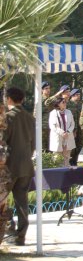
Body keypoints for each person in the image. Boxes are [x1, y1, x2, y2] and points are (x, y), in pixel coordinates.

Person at [1, 88, 35, 246]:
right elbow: (33, 144)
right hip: (26, 165)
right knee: (22, 201)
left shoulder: (8, 118)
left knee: (2, 200)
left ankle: (9, 227)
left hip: (9, 167)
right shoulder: (30, 117)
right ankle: (20, 235)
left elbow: (3, 142)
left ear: (8, 99)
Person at [48, 98, 76, 167]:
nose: (65, 103)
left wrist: (68, 132)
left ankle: (66, 172)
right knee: (57, 157)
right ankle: (57, 173)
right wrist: (62, 133)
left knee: (66, 156)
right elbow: (52, 126)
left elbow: (72, 124)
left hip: (68, 136)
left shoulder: (69, 112)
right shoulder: (53, 113)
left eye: (65, 102)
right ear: (58, 104)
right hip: (58, 136)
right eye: (63, 102)